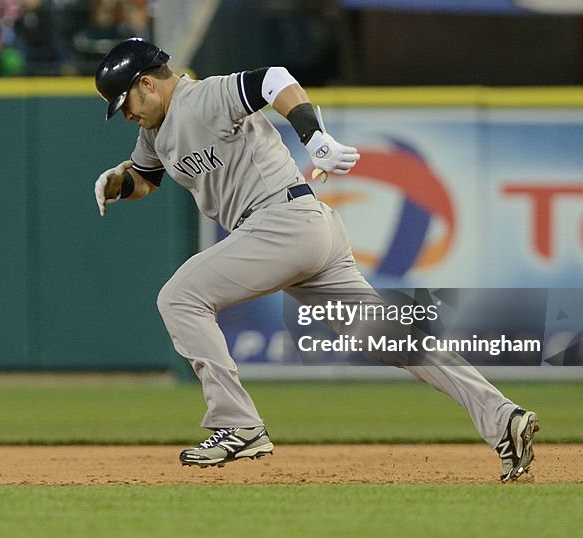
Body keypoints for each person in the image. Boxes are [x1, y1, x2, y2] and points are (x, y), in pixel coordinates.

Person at [91, 38, 541, 482]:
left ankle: (237, 423)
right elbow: (146, 177)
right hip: (301, 229)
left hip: (281, 221)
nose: (125, 113)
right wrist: (118, 182)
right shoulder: (153, 133)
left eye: (124, 101)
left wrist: (314, 135)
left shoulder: (203, 97)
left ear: (147, 83)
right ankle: (503, 417)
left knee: (180, 298)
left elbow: (275, 80)